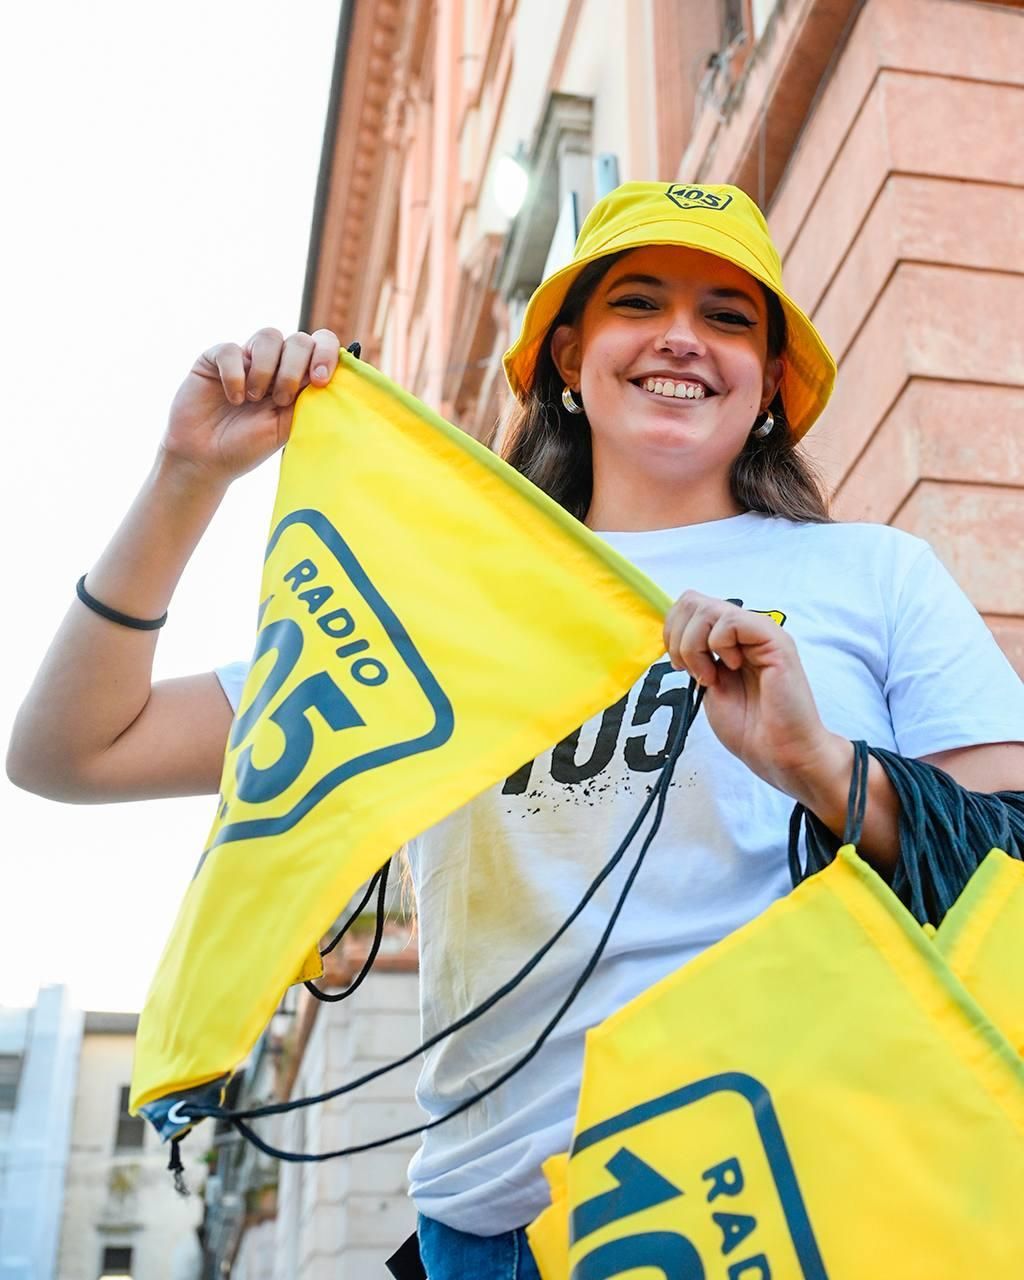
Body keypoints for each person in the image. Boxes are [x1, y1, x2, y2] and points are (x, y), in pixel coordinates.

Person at [8, 182, 1024, 1279]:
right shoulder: (437, 610)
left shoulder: (875, 574)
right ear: (568, 358)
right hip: (493, 1228)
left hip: (800, 1186)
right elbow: (74, 750)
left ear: (771, 380)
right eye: (639, 302)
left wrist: (820, 768)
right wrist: (187, 474)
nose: (682, 336)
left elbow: (1004, 859)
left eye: (728, 317)